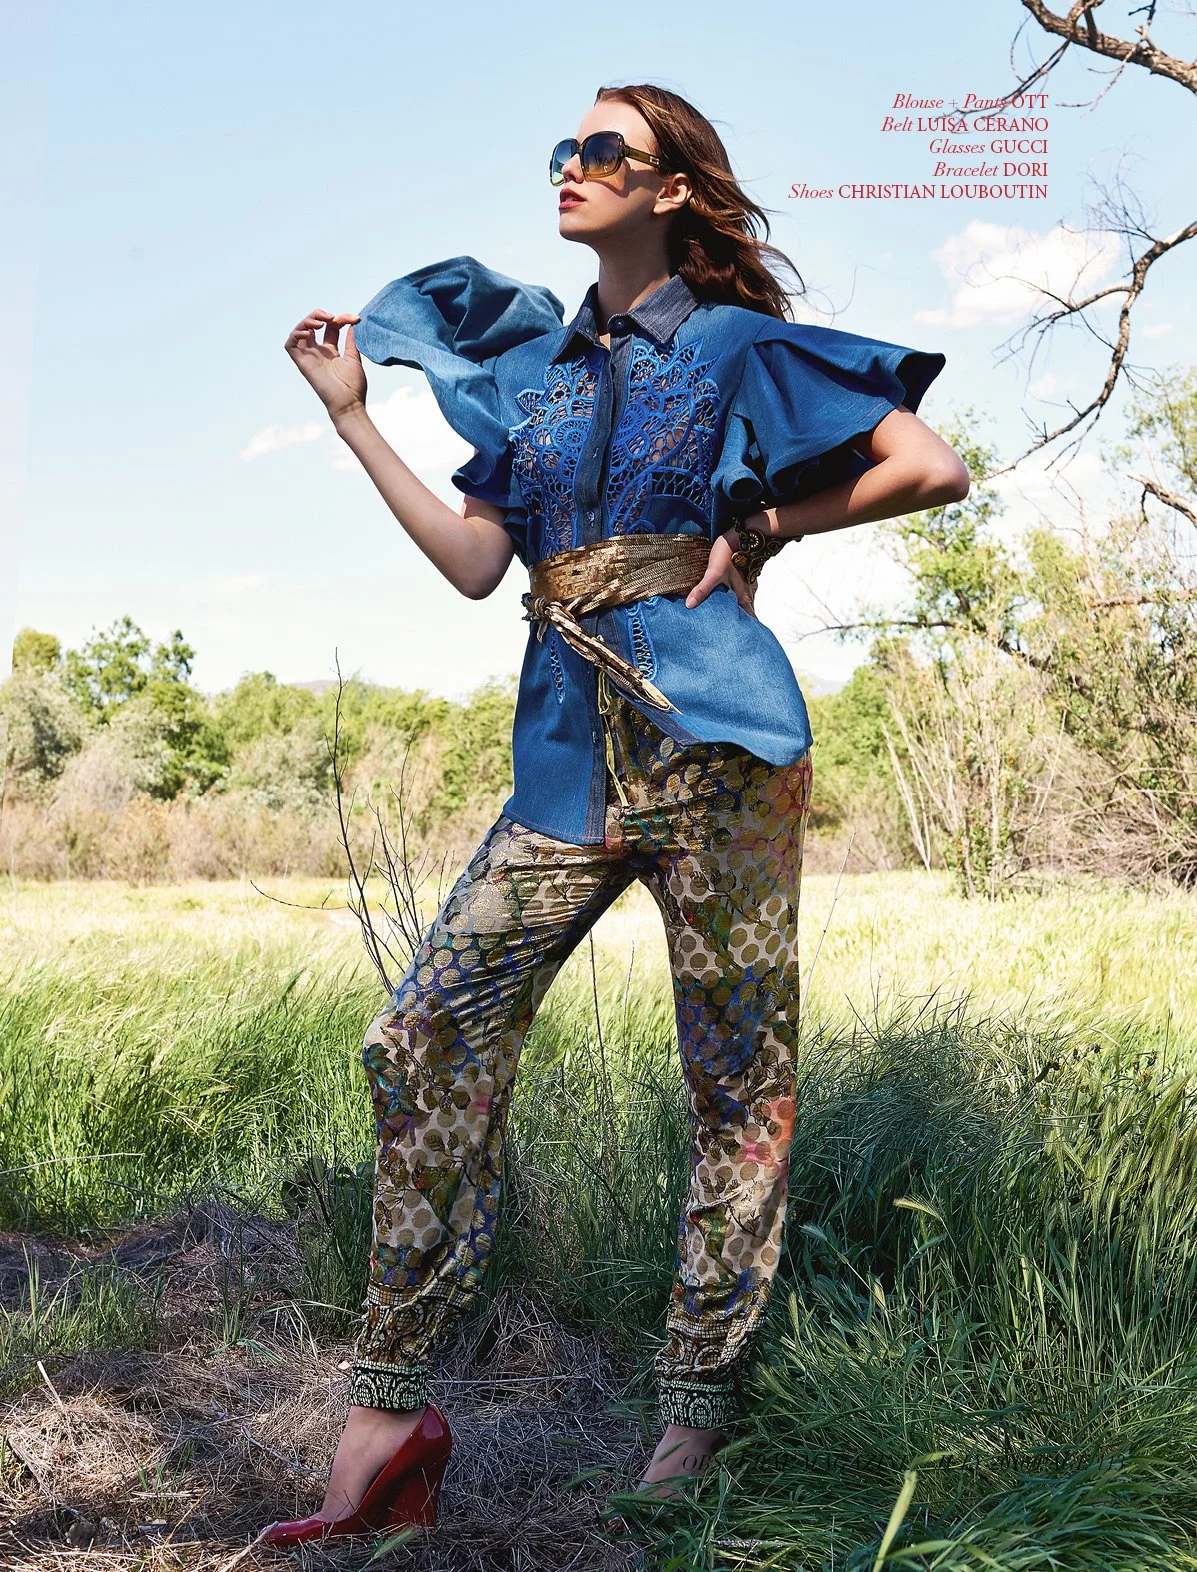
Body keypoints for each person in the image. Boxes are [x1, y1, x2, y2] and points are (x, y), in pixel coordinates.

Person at [266, 81, 968, 1545]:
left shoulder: (727, 343)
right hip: (564, 762)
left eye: (604, 154)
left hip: (717, 746)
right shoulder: (540, 372)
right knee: (425, 1028)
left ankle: (687, 1435)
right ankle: (392, 1417)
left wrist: (766, 520)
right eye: (562, 153)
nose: (571, 171)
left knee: (735, 1084)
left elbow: (927, 465)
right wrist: (353, 423)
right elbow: (474, 564)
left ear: (671, 191)